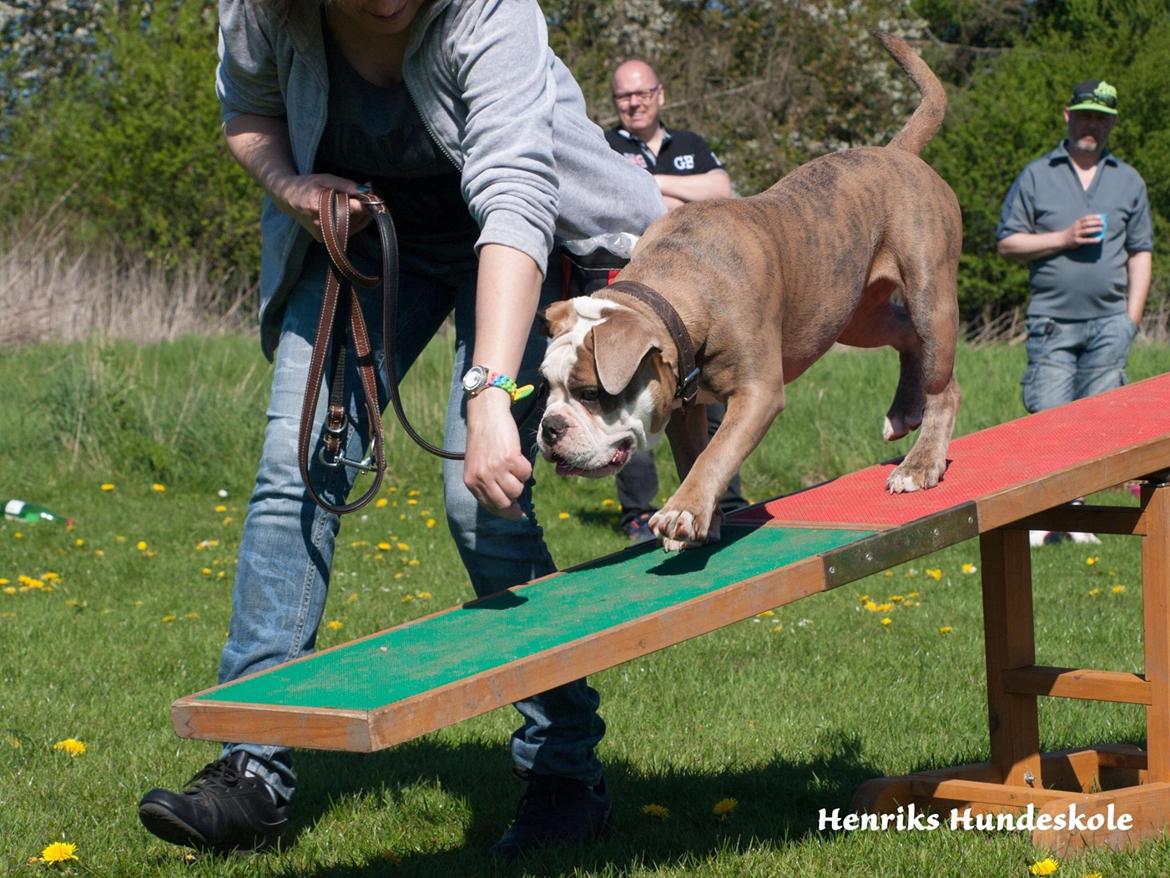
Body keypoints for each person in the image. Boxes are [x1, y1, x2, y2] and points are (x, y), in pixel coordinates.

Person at [136, 0, 664, 860]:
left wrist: (490, 395)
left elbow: (518, 199)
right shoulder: (258, 12)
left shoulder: (492, 13)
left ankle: (566, 773)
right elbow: (249, 113)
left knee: (478, 499)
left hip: (507, 245)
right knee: (292, 473)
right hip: (368, 245)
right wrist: (295, 188)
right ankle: (252, 773)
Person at [996, 78, 1153, 546]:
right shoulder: (1037, 174)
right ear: (1068, 116)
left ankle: (1078, 518)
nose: (1092, 125)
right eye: (1085, 115)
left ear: (1111, 124)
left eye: (1101, 118)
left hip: (1111, 322)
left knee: (1096, 423)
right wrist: (1062, 238)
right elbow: (1007, 242)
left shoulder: (1129, 180)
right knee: (1048, 415)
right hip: (1052, 320)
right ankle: (1046, 516)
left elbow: (1141, 250)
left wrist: (1132, 318)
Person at [603, 58, 746, 540]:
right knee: (631, 397)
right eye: (625, 96)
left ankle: (725, 499)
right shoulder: (605, 146)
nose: (634, 102)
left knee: (712, 397)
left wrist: (649, 185)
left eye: (642, 93)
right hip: (630, 295)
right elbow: (619, 205)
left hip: (700, 298)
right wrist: (684, 203)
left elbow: (721, 193)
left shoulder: (689, 145)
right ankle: (638, 512)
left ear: (660, 94)